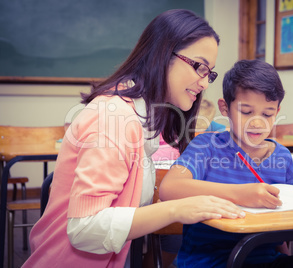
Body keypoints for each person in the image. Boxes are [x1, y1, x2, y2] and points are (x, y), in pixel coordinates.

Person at [22, 9, 245, 268]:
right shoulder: (114, 117)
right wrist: (176, 210)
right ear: (162, 55)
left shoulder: (142, 116)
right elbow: (84, 229)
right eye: (200, 67)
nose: (205, 83)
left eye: (210, 73)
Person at [159, 60, 293, 267]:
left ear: (277, 112)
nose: (257, 122)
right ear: (225, 108)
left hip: (263, 260)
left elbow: (280, 224)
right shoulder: (205, 146)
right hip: (205, 262)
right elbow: (169, 188)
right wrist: (242, 194)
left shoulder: (282, 157)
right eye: (246, 112)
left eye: (267, 114)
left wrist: (285, 256)